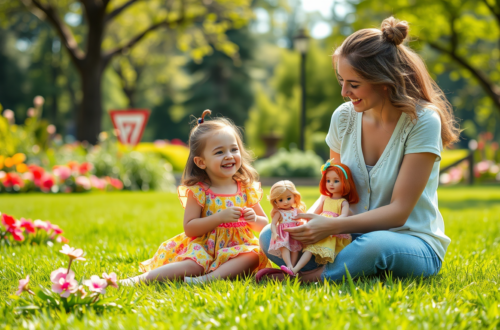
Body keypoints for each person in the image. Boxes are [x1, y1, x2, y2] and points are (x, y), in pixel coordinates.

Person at [257, 16, 460, 283]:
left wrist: (332, 226)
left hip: (410, 240)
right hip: (347, 234)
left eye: (353, 84)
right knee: (270, 235)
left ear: (384, 80)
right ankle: (343, 267)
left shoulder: (422, 121)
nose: (344, 91)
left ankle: (313, 276)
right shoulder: (343, 117)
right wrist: (309, 221)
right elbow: (333, 189)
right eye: (341, 80)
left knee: (374, 246)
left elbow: (399, 211)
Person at [122, 110, 270, 285]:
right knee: (193, 265)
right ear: (201, 162)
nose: (229, 156)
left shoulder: (245, 188)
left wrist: (253, 219)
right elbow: (190, 228)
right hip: (204, 247)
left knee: (253, 254)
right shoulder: (200, 191)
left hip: (237, 248)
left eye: (234, 149)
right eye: (219, 152)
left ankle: (207, 280)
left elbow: (264, 225)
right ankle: (138, 280)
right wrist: (219, 218)